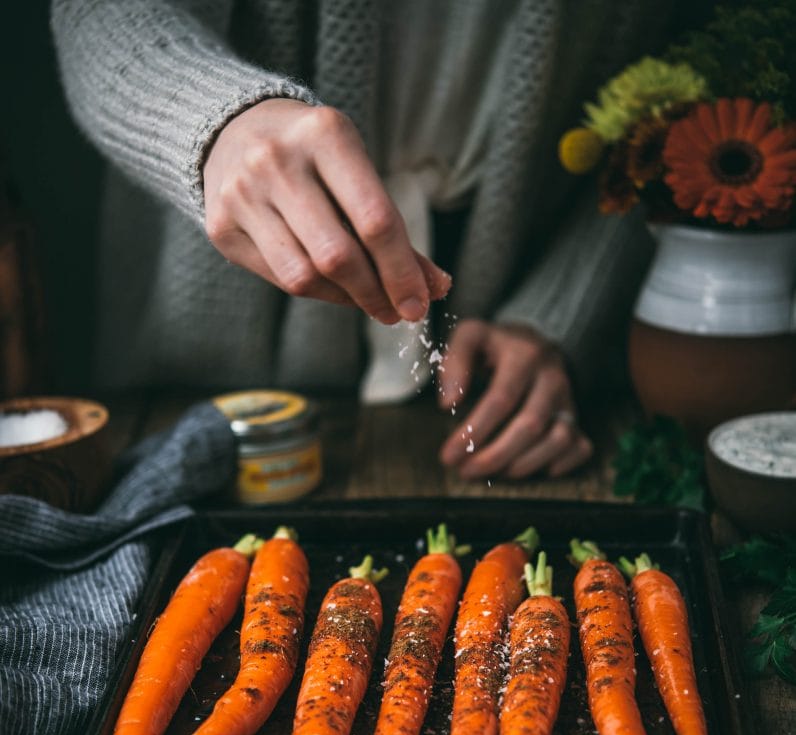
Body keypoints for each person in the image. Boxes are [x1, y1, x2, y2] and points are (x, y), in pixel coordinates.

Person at [50, 0, 678, 479]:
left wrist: (561, 309)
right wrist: (214, 124)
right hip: (204, 331)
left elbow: (679, 95)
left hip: (523, 264)